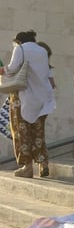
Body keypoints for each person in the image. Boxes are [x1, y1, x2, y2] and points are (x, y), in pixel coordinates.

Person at [0, 30, 55, 178]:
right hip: (42, 99)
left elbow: (11, 69)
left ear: (19, 41)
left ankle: (27, 167)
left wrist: (2, 70)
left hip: (23, 98)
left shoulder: (21, 49)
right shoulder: (42, 51)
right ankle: (43, 164)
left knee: (21, 132)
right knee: (38, 132)